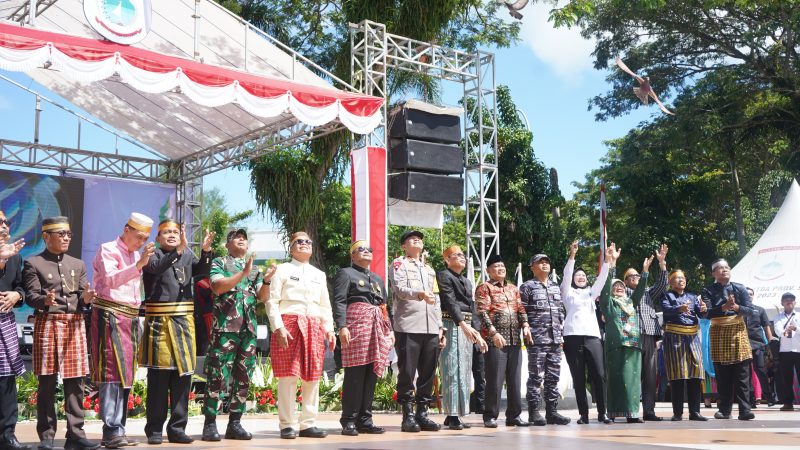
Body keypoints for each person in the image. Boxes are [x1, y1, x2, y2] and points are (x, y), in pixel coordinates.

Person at [23, 217, 97, 450]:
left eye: (68, 234)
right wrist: (44, 300)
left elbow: (83, 295)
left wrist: (86, 299)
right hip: (48, 322)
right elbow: (31, 296)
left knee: (75, 382)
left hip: (74, 323)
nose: (66, 238)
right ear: (46, 237)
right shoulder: (33, 263)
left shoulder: (78, 264)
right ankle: (46, 436)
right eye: (60, 234)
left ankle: (75, 435)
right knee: (46, 382)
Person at [140, 220, 215, 444]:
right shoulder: (152, 254)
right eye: (167, 232)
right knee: (159, 379)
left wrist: (206, 251)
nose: (172, 235)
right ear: (159, 237)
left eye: (175, 232)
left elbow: (201, 272)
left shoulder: (185, 256)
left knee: (183, 377)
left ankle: (177, 429)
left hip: (184, 321)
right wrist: (178, 251)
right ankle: (154, 429)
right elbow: (156, 268)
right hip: (159, 322)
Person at [201, 228, 272, 441]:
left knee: (243, 377)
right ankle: (210, 423)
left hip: (248, 330)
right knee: (218, 375)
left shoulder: (254, 269)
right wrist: (242, 273)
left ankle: (235, 423)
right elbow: (217, 287)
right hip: (225, 328)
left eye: (244, 238)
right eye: (236, 237)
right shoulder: (220, 262)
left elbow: (261, 296)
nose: (241, 239)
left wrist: (267, 280)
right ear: (227, 244)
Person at [91, 212, 154, 448]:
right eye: (138, 237)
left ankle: (119, 428)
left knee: (125, 373)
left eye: (145, 238)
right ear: (126, 229)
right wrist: (138, 265)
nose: (141, 243)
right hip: (109, 314)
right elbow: (110, 281)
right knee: (111, 371)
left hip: (130, 318)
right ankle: (110, 429)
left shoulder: (136, 254)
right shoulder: (108, 249)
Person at [268, 232, 334, 439]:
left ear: (312, 247)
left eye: (308, 241)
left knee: (313, 376)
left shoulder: (319, 274)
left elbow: (325, 305)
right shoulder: (282, 269)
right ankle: (287, 424)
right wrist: (278, 327)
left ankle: (308, 424)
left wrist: (329, 329)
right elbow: (272, 301)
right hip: (288, 324)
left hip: (313, 324)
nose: (304, 244)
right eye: (299, 242)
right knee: (288, 377)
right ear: (291, 247)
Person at [332, 240, 393, 436]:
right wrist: (342, 326)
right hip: (356, 324)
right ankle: (349, 419)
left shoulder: (377, 279)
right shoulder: (346, 273)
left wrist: (389, 329)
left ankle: (365, 419)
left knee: (372, 373)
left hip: (377, 326)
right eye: (361, 249)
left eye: (369, 249)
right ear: (352, 255)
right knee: (355, 373)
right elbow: (340, 301)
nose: (366, 251)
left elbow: (384, 306)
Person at [389, 230, 444, 433]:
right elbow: (399, 290)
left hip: (430, 328)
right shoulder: (398, 265)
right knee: (407, 372)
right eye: (412, 238)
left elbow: (436, 299)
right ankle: (407, 416)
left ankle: (423, 414)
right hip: (408, 326)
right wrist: (420, 294)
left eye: (419, 238)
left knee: (428, 373)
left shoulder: (430, 270)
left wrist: (440, 328)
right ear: (404, 246)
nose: (417, 240)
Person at [475, 254, 533, 428]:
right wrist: (493, 333)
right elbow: (482, 312)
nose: (500, 268)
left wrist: (526, 326)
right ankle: (490, 415)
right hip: (496, 340)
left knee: (515, 379)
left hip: (515, 339)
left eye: (502, 266)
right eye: (496, 266)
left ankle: (514, 415)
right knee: (495, 379)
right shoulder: (484, 287)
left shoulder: (513, 288)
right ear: (488, 270)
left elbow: (520, 308)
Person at [436, 245, 487, 430]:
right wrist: (462, 325)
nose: (462, 258)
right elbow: (449, 302)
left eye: (463, 255)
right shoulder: (443, 275)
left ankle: (456, 414)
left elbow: (471, 307)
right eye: (457, 255)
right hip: (452, 324)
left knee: (464, 371)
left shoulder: (466, 281)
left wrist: (477, 332)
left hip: (466, 327)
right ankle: (451, 413)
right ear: (447, 260)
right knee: (451, 368)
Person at [561, 240, 610, 424]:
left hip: (592, 337)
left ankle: (602, 412)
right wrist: (572, 256)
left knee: (599, 374)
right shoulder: (567, 293)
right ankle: (584, 415)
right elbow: (566, 277)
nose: (580, 276)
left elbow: (602, 279)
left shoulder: (591, 292)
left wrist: (607, 261)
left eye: (583, 275)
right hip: (572, 337)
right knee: (579, 377)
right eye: (577, 275)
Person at [600, 243, 650, 423]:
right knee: (616, 378)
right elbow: (605, 290)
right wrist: (612, 267)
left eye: (621, 286)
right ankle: (613, 412)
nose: (619, 288)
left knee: (634, 379)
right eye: (616, 287)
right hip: (616, 345)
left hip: (634, 344)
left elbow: (640, 291)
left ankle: (632, 413)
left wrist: (644, 272)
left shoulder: (630, 303)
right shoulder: (608, 304)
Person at [520, 252, 570, 426]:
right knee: (535, 377)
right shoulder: (527, 287)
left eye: (547, 262)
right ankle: (534, 412)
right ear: (532, 267)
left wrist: (561, 333)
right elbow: (522, 311)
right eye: (540, 262)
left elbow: (561, 312)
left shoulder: (556, 287)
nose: (544, 264)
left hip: (555, 339)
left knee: (553, 377)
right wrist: (525, 329)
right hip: (537, 339)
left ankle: (552, 412)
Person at [701, 258, 754, 421]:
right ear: (713, 273)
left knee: (742, 375)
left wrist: (736, 307)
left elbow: (751, 311)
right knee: (723, 376)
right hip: (718, 332)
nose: (724, 270)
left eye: (726, 267)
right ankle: (724, 410)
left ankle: (745, 410)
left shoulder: (740, 288)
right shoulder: (707, 290)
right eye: (720, 268)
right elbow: (706, 313)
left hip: (737, 330)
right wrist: (724, 307)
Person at [623, 243, 669, 421]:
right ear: (626, 280)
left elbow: (663, 284)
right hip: (632, 336)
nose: (636, 277)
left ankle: (649, 411)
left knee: (651, 375)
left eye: (637, 274)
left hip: (649, 335)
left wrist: (662, 263)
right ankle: (631, 411)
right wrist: (644, 272)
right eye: (631, 276)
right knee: (633, 374)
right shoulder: (623, 292)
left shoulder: (649, 292)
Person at [659, 270, 708, 421]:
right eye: (677, 278)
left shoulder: (693, 297)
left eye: (683, 278)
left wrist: (704, 310)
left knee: (695, 374)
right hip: (674, 337)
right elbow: (666, 310)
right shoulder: (667, 295)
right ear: (671, 282)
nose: (681, 280)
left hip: (693, 337)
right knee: (677, 375)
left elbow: (701, 315)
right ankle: (678, 413)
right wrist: (679, 309)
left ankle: (695, 412)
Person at [0, 211, 28, 450]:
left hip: (4, 323)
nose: (4, 226)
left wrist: (17, 294)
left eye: (5, 222)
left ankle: (7, 435)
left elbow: (21, 287)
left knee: (6, 381)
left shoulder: (16, 257)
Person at [744, 287, 775, 408]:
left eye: (751, 294)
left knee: (760, 371)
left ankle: (769, 397)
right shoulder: (738, 310)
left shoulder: (760, 310)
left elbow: (766, 326)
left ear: (753, 295)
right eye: (747, 294)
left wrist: (770, 341)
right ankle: (751, 399)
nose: (749, 296)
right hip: (742, 346)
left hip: (758, 344)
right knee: (745, 374)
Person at [772, 292, 800, 411]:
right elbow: (778, 331)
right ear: (782, 303)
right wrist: (786, 331)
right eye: (786, 300)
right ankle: (788, 403)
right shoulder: (778, 317)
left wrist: (796, 328)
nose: (789, 302)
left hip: (799, 349)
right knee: (786, 378)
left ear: (795, 302)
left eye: (791, 300)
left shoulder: (798, 315)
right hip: (785, 351)